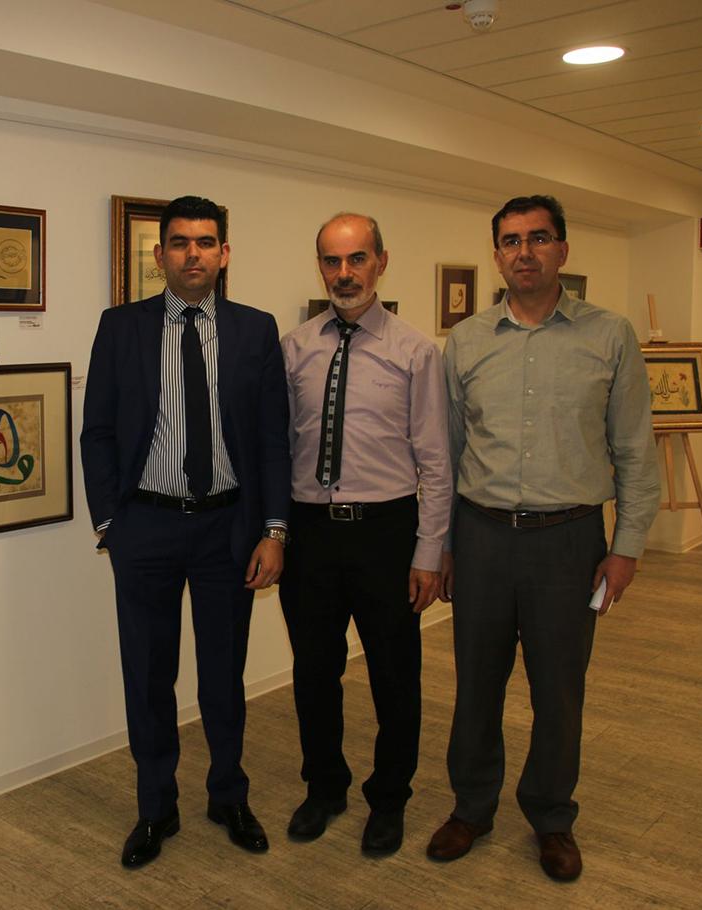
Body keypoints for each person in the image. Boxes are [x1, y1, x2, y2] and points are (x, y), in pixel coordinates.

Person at [429, 195, 659, 882]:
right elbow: (448, 452)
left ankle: (552, 817)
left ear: (562, 248)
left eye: (537, 238)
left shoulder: (610, 336)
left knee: (559, 689)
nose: (523, 252)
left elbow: (635, 451)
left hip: (570, 542)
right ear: (497, 253)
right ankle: (472, 807)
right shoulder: (466, 341)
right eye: (510, 240)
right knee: (476, 685)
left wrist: (626, 548)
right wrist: (442, 544)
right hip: (481, 537)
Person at [81, 195, 291, 868]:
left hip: (228, 528)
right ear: (160, 254)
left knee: (223, 677)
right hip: (145, 527)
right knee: (148, 675)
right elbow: (97, 432)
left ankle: (228, 795)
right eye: (179, 242)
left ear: (224, 253)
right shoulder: (121, 327)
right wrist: (111, 523)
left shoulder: (255, 330)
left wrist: (274, 530)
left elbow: (272, 440)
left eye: (205, 242)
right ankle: (155, 807)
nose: (192, 253)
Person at [278, 213, 452, 856]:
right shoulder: (294, 348)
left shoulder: (416, 351)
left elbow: (436, 462)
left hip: (385, 533)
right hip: (310, 534)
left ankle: (390, 797)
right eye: (332, 260)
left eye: (356, 259)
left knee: (394, 677)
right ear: (320, 266)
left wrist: (429, 552)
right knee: (313, 673)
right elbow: (278, 448)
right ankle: (324, 787)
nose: (344, 273)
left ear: (381, 261)